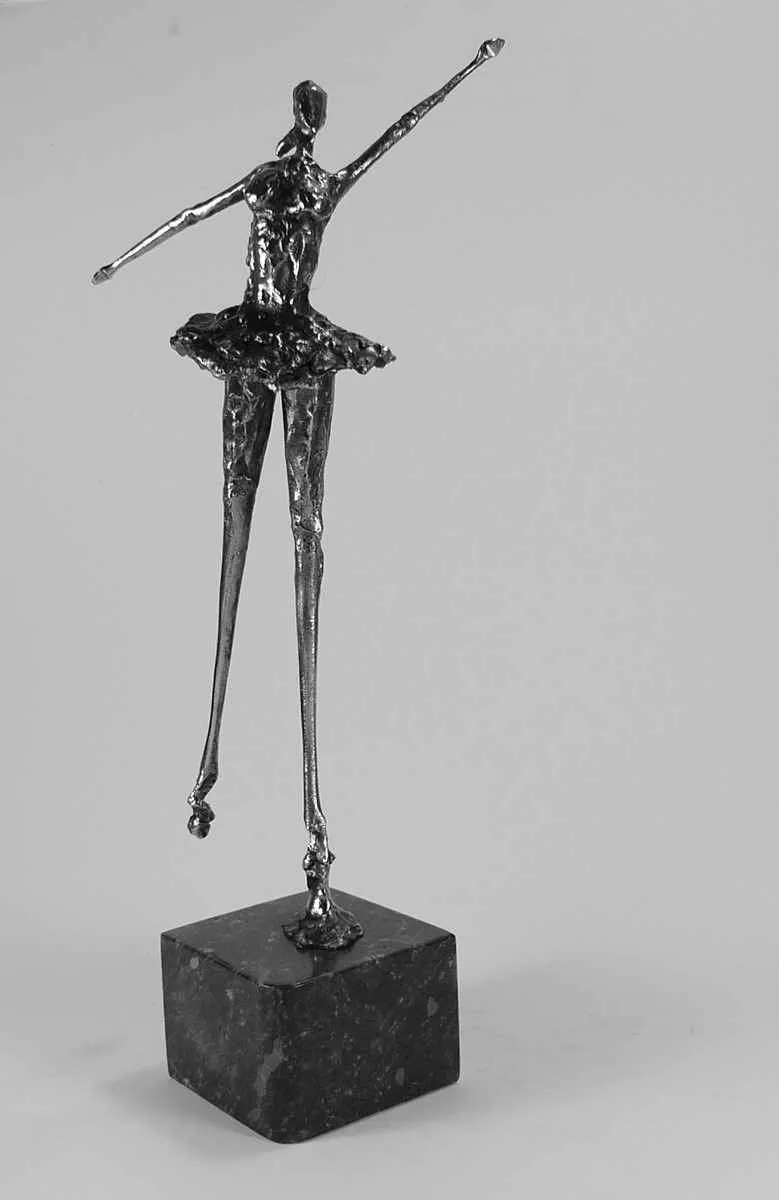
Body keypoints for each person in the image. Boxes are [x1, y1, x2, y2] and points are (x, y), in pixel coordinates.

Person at [92, 37, 504, 949]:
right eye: (306, 113)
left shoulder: (318, 183)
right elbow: (192, 213)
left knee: (304, 534)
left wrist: (465, 71)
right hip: (251, 339)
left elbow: (398, 130)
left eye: (310, 115)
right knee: (237, 521)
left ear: (309, 123)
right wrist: (123, 258)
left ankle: (312, 821)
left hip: (297, 344)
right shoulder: (277, 179)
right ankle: (211, 758)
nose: (306, 126)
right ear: (299, 119)